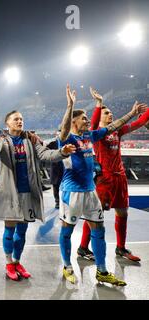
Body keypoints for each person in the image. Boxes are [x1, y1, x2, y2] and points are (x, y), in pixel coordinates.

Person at [57, 84, 142, 286]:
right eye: (84, 118)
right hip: (71, 192)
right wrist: (70, 106)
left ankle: (102, 271)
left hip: (90, 191)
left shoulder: (90, 136)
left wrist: (131, 113)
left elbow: (113, 126)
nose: (88, 121)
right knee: (67, 231)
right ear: (74, 122)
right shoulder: (67, 138)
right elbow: (63, 130)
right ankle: (67, 266)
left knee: (99, 229)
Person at [0, 108, 75, 281]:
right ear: (7, 123)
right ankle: (8, 263)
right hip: (10, 193)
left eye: (21, 119)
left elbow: (45, 154)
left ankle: (17, 261)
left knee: (22, 230)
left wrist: (62, 152)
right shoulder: (2, 140)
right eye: (15, 119)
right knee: (9, 230)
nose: (20, 121)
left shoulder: (30, 140)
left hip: (28, 191)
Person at [77, 87, 149, 262]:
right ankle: (83, 248)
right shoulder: (96, 133)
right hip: (104, 179)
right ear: (100, 117)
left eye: (110, 113)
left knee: (122, 212)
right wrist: (98, 105)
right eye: (106, 113)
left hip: (120, 177)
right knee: (95, 215)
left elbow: (139, 123)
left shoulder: (118, 131)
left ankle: (121, 248)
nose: (110, 115)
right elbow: (93, 123)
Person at [46, 129, 64, 209]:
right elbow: (44, 149)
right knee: (56, 185)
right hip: (55, 167)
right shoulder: (53, 143)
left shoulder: (67, 142)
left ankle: (64, 201)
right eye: (58, 133)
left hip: (65, 167)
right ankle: (57, 202)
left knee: (64, 185)